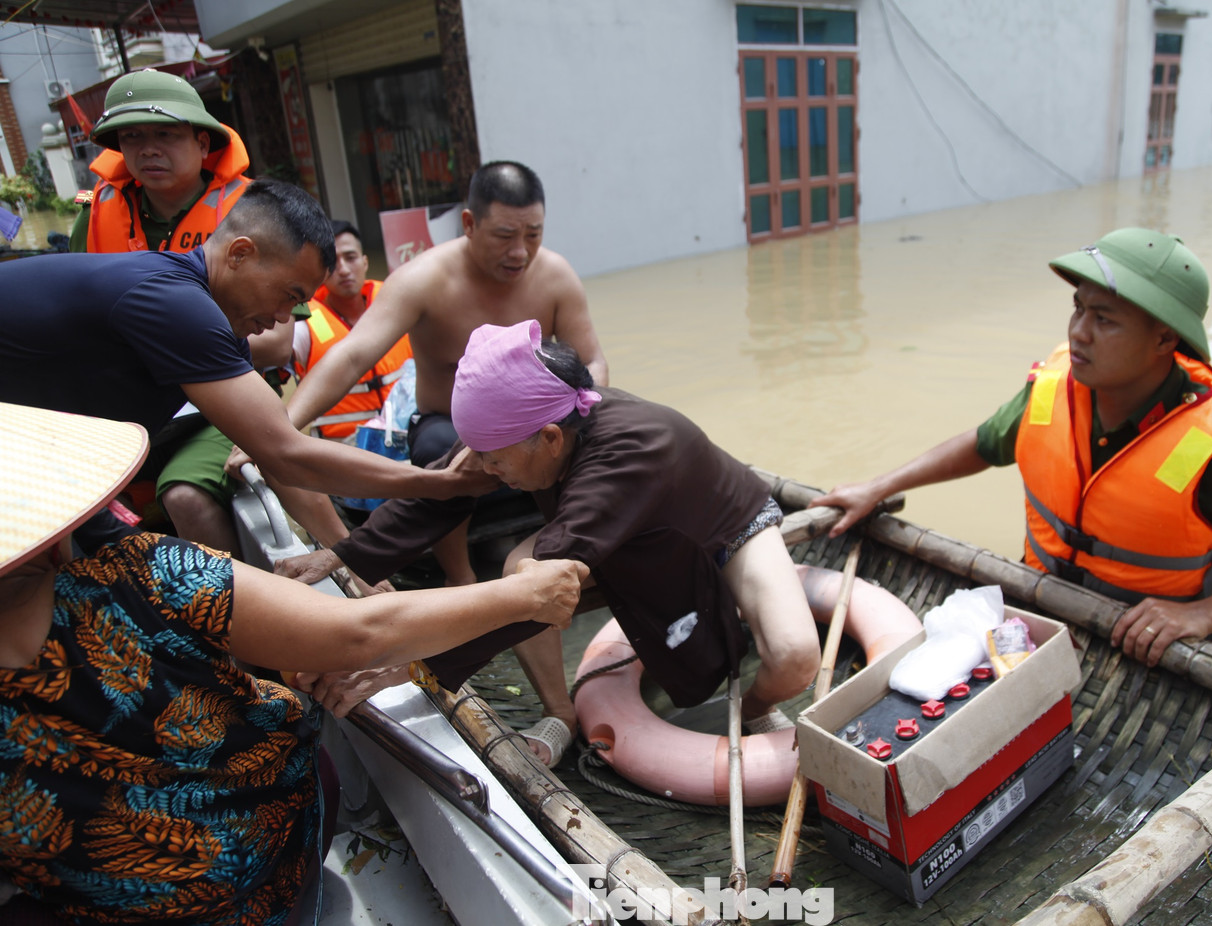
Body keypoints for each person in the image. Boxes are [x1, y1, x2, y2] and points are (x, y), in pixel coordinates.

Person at [0, 402, 586, 926]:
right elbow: (361, 634)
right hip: (267, 857)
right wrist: (524, 594)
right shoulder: (141, 575)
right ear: (57, 529)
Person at [811, 227, 1212, 667]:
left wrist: (1202, 615)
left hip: (1151, 644)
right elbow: (985, 443)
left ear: (1165, 339)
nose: (1078, 333)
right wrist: (881, 486)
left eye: (1105, 319)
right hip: (1044, 610)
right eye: (1078, 308)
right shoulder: (1058, 387)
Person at [277, 321, 819, 766]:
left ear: (551, 440)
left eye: (493, 459)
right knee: (523, 571)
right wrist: (343, 555)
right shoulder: (525, 422)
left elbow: (546, 591)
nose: (485, 470)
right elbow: (446, 491)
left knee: (796, 657)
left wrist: (410, 662)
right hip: (621, 537)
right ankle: (561, 712)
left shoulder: (626, 452)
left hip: (723, 534)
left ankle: (753, 708)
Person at [0, 178, 486, 555]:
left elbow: (284, 458)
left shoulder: (208, 318)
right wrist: (436, 482)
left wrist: (351, 559)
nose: (282, 319)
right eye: (289, 297)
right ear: (240, 254)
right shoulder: (177, 305)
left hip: (41, 462)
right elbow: (289, 455)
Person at [277, 161, 608, 589]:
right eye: (505, 236)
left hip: (534, 425)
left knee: (591, 432)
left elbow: (592, 363)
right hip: (450, 426)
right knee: (437, 445)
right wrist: (283, 427)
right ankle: (460, 575)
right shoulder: (424, 278)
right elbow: (353, 354)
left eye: (533, 234)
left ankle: (572, 550)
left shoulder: (555, 276)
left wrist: (575, 418)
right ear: (469, 224)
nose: (520, 252)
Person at [69, 68, 297, 556]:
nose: (148, 149)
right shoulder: (94, 212)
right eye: (132, 136)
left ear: (200, 142)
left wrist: (175, 350)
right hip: (120, 409)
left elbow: (279, 341)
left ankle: (239, 620)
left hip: (218, 404)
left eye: (165, 135)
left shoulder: (251, 211)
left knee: (185, 497)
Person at [291, 220, 412, 440]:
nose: (344, 269)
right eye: (333, 263)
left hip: (406, 435)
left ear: (365, 262)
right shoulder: (304, 325)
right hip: (343, 450)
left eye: (351, 257)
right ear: (320, 271)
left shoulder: (400, 306)